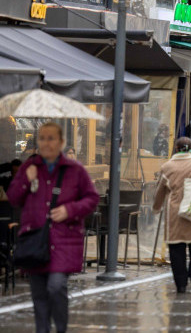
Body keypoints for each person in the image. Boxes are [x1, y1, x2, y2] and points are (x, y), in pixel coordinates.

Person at [7, 122, 99, 333]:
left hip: (64, 240)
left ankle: (61, 328)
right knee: (38, 293)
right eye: (42, 138)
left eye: (51, 138)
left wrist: (71, 210)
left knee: (56, 286)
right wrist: (25, 181)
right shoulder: (29, 168)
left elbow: (92, 198)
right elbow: (13, 198)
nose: (46, 143)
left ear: (61, 142)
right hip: (35, 239)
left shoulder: (74, 170)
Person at [153, 137, 191, 293]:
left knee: (177, 249)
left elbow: (160, 192)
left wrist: (156, 208)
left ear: (176, 149)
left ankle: (181, 284)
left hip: (175, 213)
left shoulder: (167, 166)